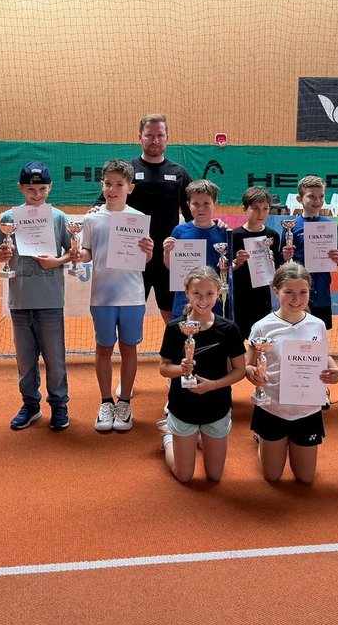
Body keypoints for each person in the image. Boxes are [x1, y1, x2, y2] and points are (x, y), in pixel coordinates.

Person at [0, 161, 80, 431]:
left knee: (55, 359)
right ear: (21, 188)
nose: (37, 194)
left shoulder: (59, 218)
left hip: (50, 301)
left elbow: (73, 253)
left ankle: (59, 405)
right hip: (20, 301)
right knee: (25, 361)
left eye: (42, 189)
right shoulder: (9, 217)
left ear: (50, 187)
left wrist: (57, 261)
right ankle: (31, 405)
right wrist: (2, 255)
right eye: (31, 189)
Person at [245, 262, 338, 484]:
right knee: (272, 476)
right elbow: (248, 365)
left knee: (305, 478)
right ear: (276, 291)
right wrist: (253, 374)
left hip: (307, 410)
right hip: (273, 407)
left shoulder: (317, 325)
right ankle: (263, 439)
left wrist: (334, 371)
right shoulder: (262, 327)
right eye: (288, 292)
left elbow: (323, 355)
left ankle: (278, 443)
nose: (296, 299)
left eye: (303, 292)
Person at [79, 160, 155, 433]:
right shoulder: (91, 219)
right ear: (102, 185)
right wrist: (78, 254)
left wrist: (148, 251)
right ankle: (105, 402)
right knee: (103, 348)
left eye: (119, 184)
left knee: (128, 348)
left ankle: (124, 403)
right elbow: (87, 252)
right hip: (102, 297)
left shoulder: (138, 218)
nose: (112, 189)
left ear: (130, 188)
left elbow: (144, 259)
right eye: (108, 184)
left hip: (132, 295)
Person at [94, 114, 193, 324]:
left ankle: (176, 347)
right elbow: (103, 203)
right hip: (132, 256)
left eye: (160, 135)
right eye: (149, 135)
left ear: (167, 138)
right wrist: (94, 211)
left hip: (167, 257)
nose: (155, 140)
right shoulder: (127, 171)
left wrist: (214, 223)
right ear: (140, 137)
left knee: (172, 314)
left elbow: (193, 213)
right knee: (130, 312)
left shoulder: (179, 173)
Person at [158, 266, 246, 483]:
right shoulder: (175, 328)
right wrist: (181, 369)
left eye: (209, 293)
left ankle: (194, 436)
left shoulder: (229, 329)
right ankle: (168, 437)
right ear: (187, 292)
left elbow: (240, 370)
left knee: (214, 476)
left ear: (218, 293)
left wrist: (213, 385)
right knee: (184, 476)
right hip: (183, 407)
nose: (203, 300)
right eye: (197, 293)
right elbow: (164, 368)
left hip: (217, 408)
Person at [282, 175, 338, 330]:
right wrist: (284, 257)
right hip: (298, 292)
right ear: (299, 199)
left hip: (322, 291)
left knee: (320, 332)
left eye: (321, 196)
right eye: (311, 197)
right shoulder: (291, 227)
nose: (317, 201)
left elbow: (337, 260)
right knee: (296, 331)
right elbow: (281, 261)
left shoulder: (330, 226)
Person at [163, 179, 229, 320]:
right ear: (188, 205)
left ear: (215, 204)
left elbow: (228, 267)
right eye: (196, 204)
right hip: (183, 300)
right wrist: (167, 252)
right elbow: (171, 267)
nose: (201, 208)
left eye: (206, 203)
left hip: (213, 302)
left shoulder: (223, 232)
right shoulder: (179, 231)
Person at [231, 186, 283, 337]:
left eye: (265, 209)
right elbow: (225, 271)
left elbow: (276, 267)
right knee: (236, 339)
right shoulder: (233, 235)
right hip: (239, 297)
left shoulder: (273, 235)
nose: (261, 213)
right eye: (255, 208)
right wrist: (236, 263)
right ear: (244, 209)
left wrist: (283, 259)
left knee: (261, 339)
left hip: (262, 298)